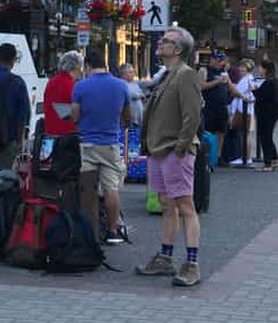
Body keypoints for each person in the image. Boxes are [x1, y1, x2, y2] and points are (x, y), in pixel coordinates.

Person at [136, 26, 203, 287]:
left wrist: (181, 146)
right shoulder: (166, 75)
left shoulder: (186, 75)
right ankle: (165, 256)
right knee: (166, 203)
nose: (160, 43)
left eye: (166, 41)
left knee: (185, 205)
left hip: (174, 150)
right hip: (159, 150)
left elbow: (192, 115)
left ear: (177, 49)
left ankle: (192, 263)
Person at [70, 50, 130, 244]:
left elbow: (75, 116)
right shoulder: (121, 86)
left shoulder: (80, 86)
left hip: (87, 143)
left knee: (88, 188)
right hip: (110, 143)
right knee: (111, 188)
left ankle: (90, 232)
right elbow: (127, 116)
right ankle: (113, 231)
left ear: (87, 67)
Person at [199, 51, 237, 167]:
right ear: (213, 60)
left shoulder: (223, 72)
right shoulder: (204, 71)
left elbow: (231, 88)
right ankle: (207, 157)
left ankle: (218, 156)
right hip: (209, 106)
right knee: (208, 131)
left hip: (221, 106)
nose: (222, 63)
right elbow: (201, 86)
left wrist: (243, 94)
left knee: (221, 131)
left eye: (223, 61)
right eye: (220, 61)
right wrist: (217, 81)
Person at [43, 50, 83, 136]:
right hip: (67, 135)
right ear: (75, 67)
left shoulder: (51, 82)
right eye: (80, 68)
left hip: (50, 132)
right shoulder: (71, 85)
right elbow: (75, 112)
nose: (81, 71)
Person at [229, 58, 257, 166]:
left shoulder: (247, 79)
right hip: (245, 109)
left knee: (244, 134)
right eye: (240, 67)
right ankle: (246, 157)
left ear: (248, 68)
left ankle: (245, 157)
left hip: (243, 110)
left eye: (243, 67)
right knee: (245, 134)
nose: (240, 69)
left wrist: (229, 83)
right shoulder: (249, 78)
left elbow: (236, 93)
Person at [254, 60, 278, 172]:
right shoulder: (274, 81)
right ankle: (274, 158)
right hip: (272, 113)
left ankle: (268, 163)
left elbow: (261, 96)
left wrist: (254, 91)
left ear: (265, 69)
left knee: (265, 137)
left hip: (266, 113)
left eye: (260, 68)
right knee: (268, 135)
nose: (259, 70)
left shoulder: (268, 83)